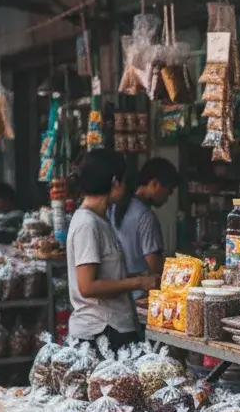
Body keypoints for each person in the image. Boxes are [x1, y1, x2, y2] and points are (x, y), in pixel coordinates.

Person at [66, 150, 158, 350]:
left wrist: (138, 277)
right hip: (101, 332)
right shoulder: (87, 224)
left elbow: (107, 274)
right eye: (124, 182)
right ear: (115, 182)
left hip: (112, 328)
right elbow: (87, 287)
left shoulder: (100, 219)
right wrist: (139, 282)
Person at [112, 158, 178, 287]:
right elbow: (154, 264)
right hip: (139, 292)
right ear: (154, 184)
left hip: (120, 287)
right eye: (168, 191)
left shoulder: (117, 207)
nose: (167, 197)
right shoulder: (145, 216)